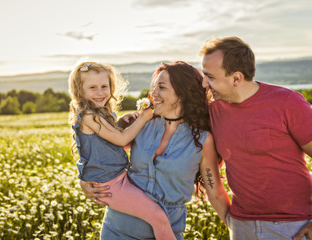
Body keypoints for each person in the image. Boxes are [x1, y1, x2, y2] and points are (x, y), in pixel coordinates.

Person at [199, 36, 312, 240]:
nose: (204, 83)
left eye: (210, 77)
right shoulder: (213, 111)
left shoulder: (288, 102)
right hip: (241, 226)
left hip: (293, 228)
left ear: (236, 78)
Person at [80, 61, 231, 239]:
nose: (153, 93)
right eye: (154, 87)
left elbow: (215, 192)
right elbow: (100, 154)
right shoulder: (141, 124)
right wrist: (85, 181)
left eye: (161, 87)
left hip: (166, 232)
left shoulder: (202, 140)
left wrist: (237, 227)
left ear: (182, 93)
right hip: (116, 229)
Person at [68, 61, 176, 240]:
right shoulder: (88, 115)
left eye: (104, 86)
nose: (100, 92)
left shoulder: (99, 113)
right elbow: (122, 140)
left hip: (115, 179)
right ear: (79, 91)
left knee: (157, 213)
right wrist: (144, 117)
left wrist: (120, 123)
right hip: (110, 184)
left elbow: (106, 141)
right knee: (158, 217)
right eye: (92, 87)